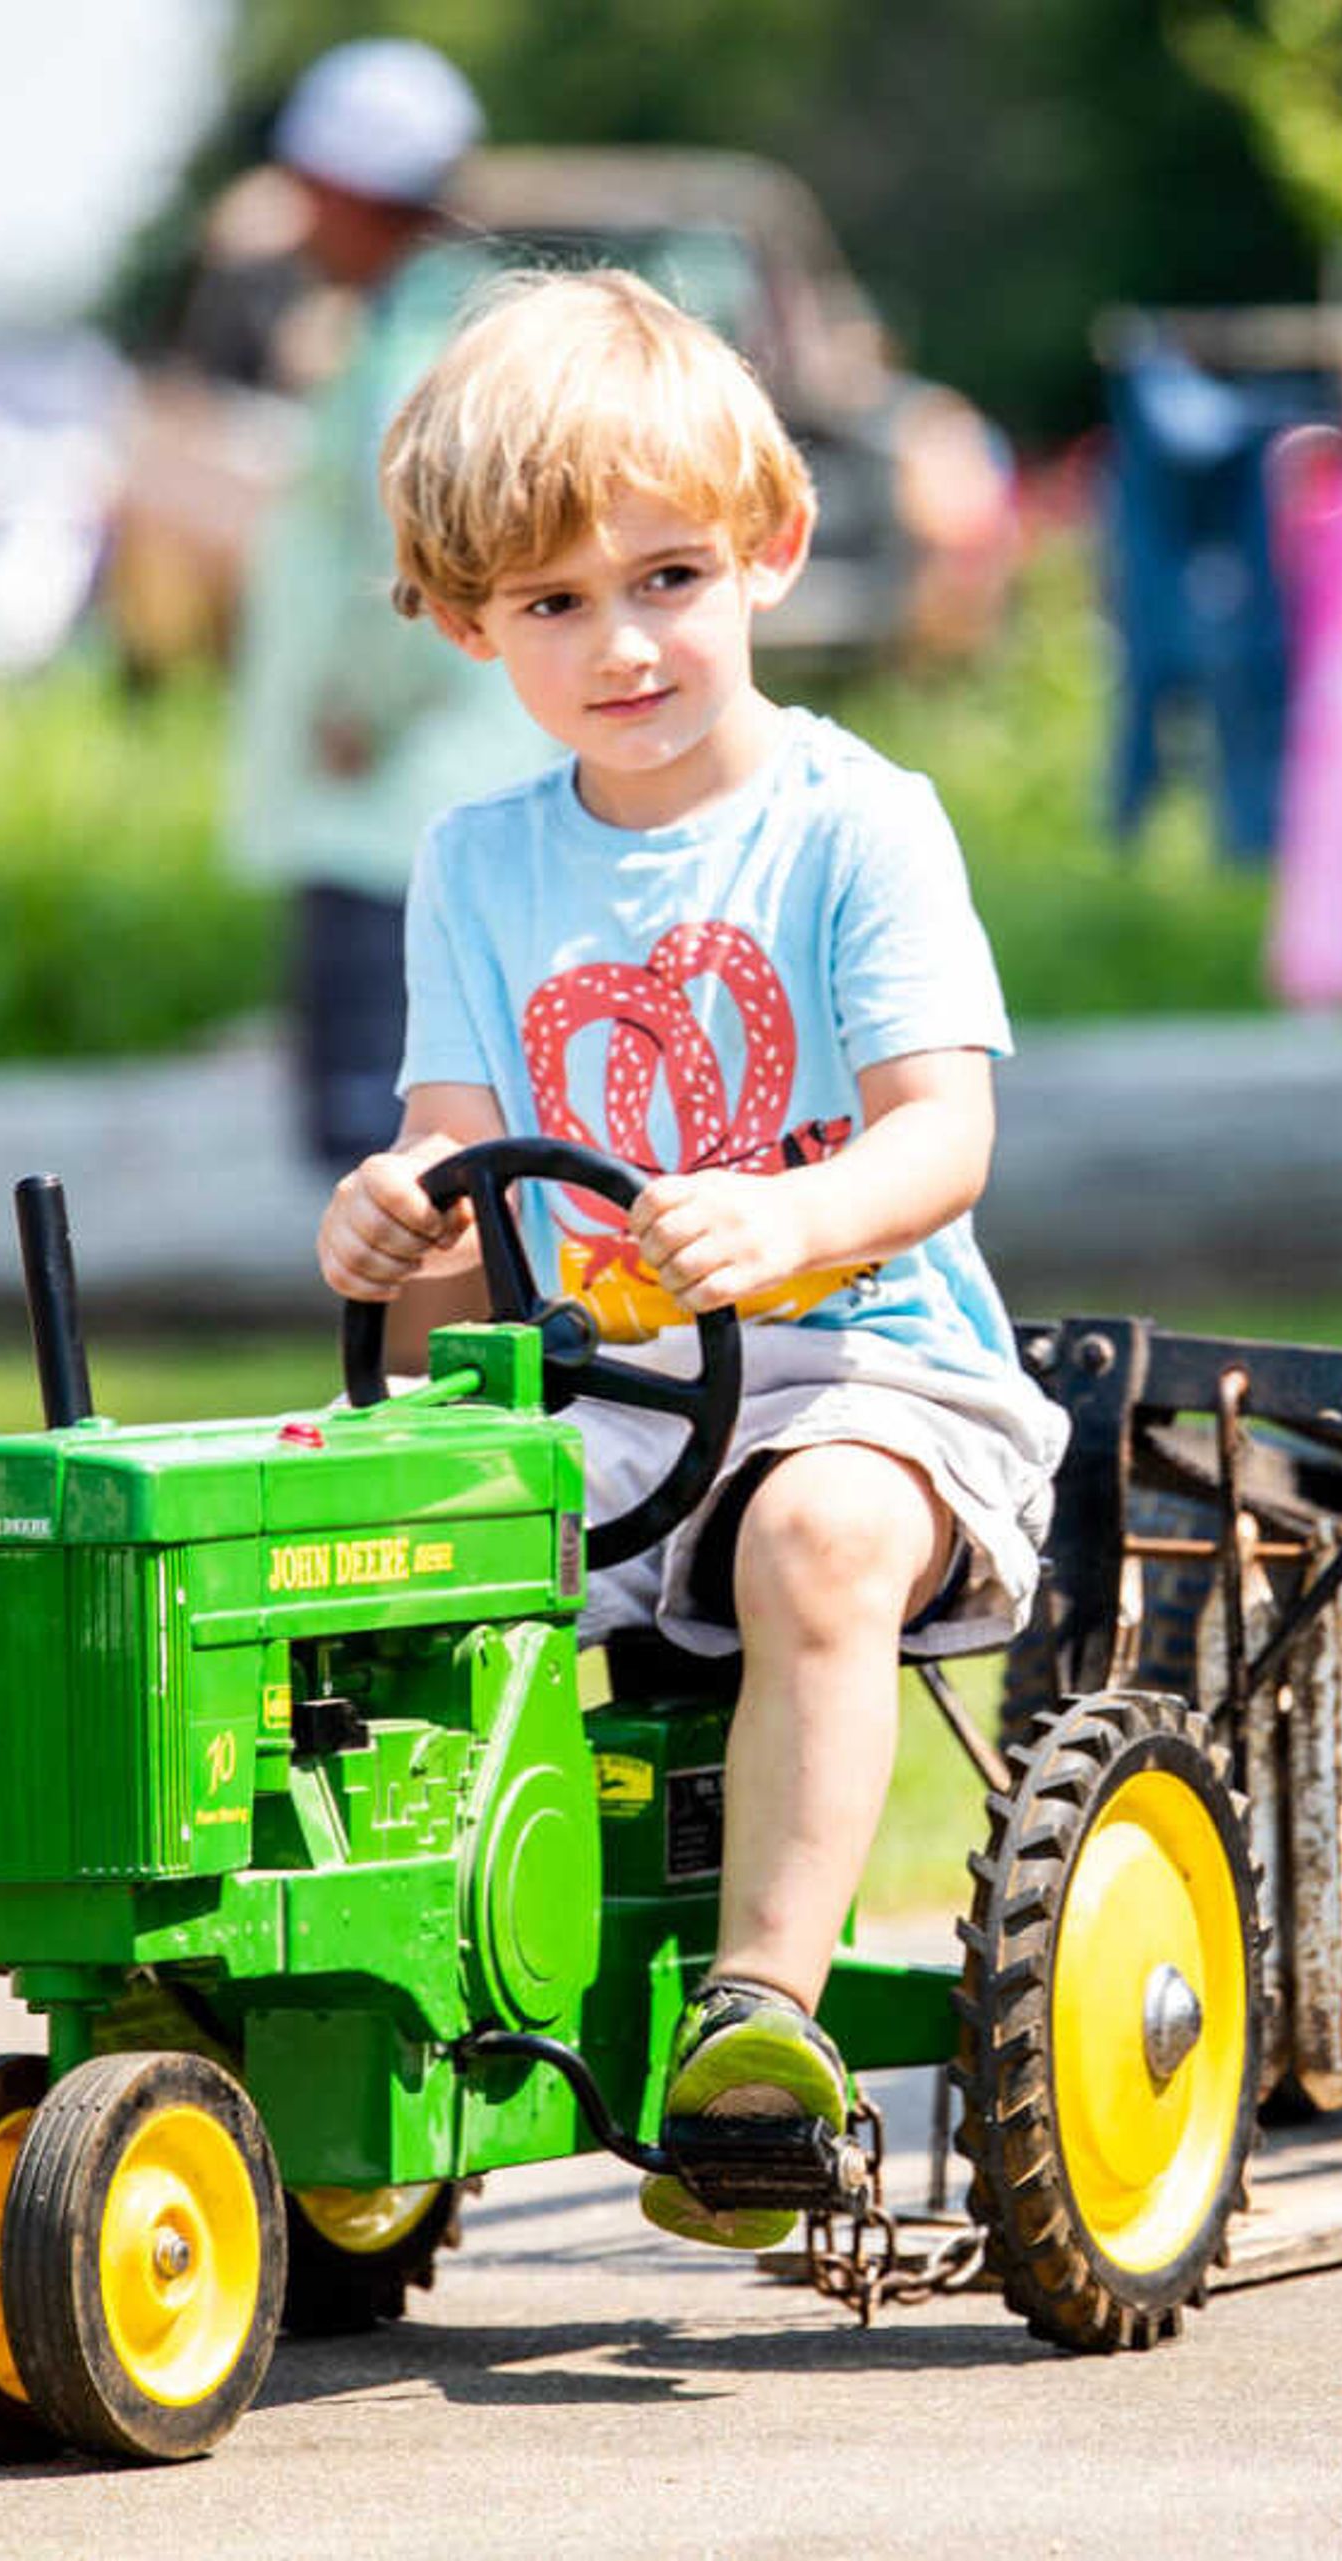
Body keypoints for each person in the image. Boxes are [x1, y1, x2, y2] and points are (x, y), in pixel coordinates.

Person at [313, 270, 1066, 2245]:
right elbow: (460, 1141)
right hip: (614, 1403)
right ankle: (373, 1994)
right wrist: (399, 1201)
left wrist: (792, 1216)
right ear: (466, 616)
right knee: (376, 1565)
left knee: (810, 1539)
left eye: (665, 576)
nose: (620, 639)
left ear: (772, 549)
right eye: (553, 602)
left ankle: (759, 2015)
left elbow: (944, 1129)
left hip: (874, 1375)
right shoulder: (480, 863)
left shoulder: (854, 827)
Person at [229, 36, 540, 1180]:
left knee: (397, 1149)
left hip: (392, 798)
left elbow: (402, 557)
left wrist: (358, 698)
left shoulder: (412, 349)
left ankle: (407, 1368)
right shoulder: (431, 326)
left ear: (352, 193)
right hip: (431, 788)